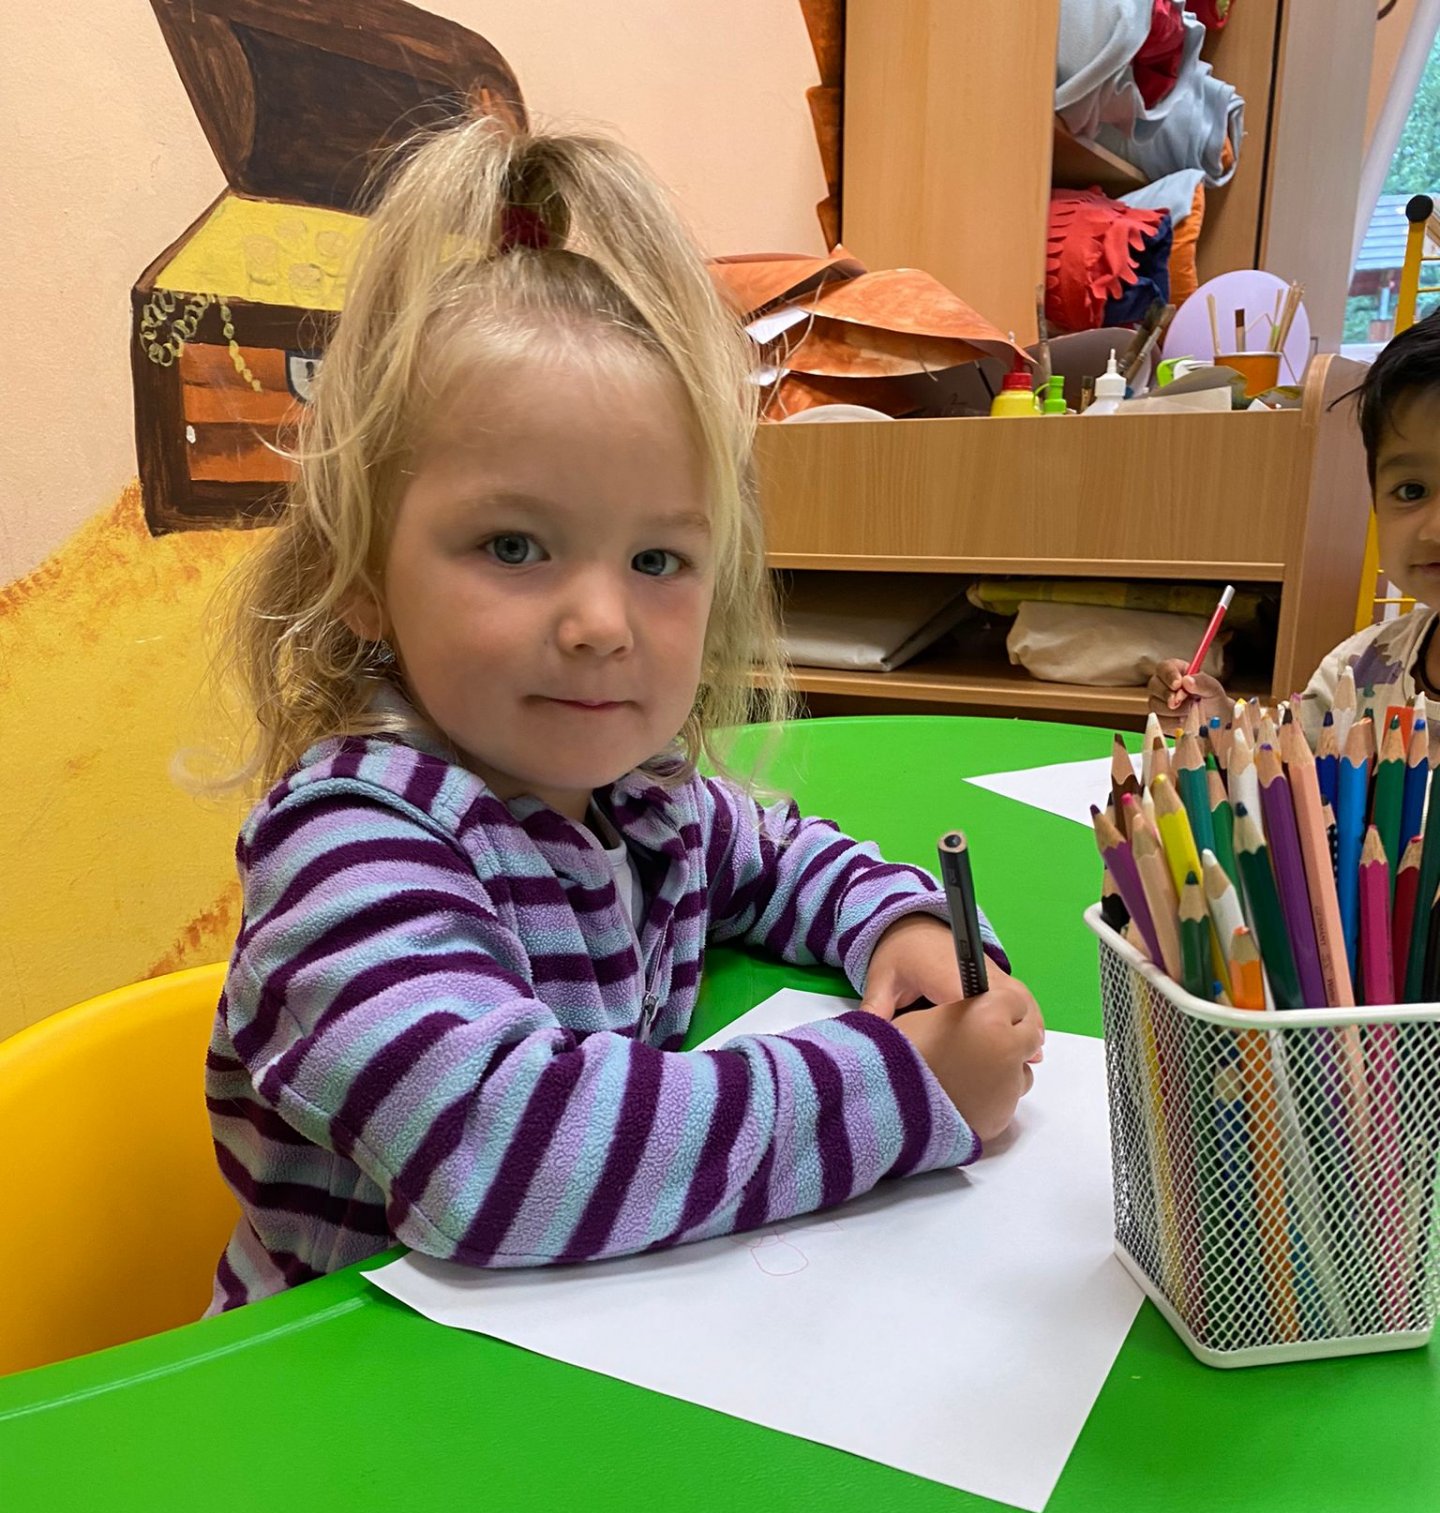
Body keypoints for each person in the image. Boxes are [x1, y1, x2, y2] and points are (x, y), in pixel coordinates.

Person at [205, 118, 1044, 1310]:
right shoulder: (350, 844)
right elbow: (500, 1156)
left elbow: (781, 855)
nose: (602, 622)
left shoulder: (642, 801)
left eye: (658, 560)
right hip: (344, 1394)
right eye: (514, 546)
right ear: (361, 573)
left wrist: (901, 927)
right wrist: (901, 1087)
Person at [1148, 308, 1440, 732]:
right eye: (1412, 491)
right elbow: (1288, 755)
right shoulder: (1361, 666)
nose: (1435, 529)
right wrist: (1220, 724)